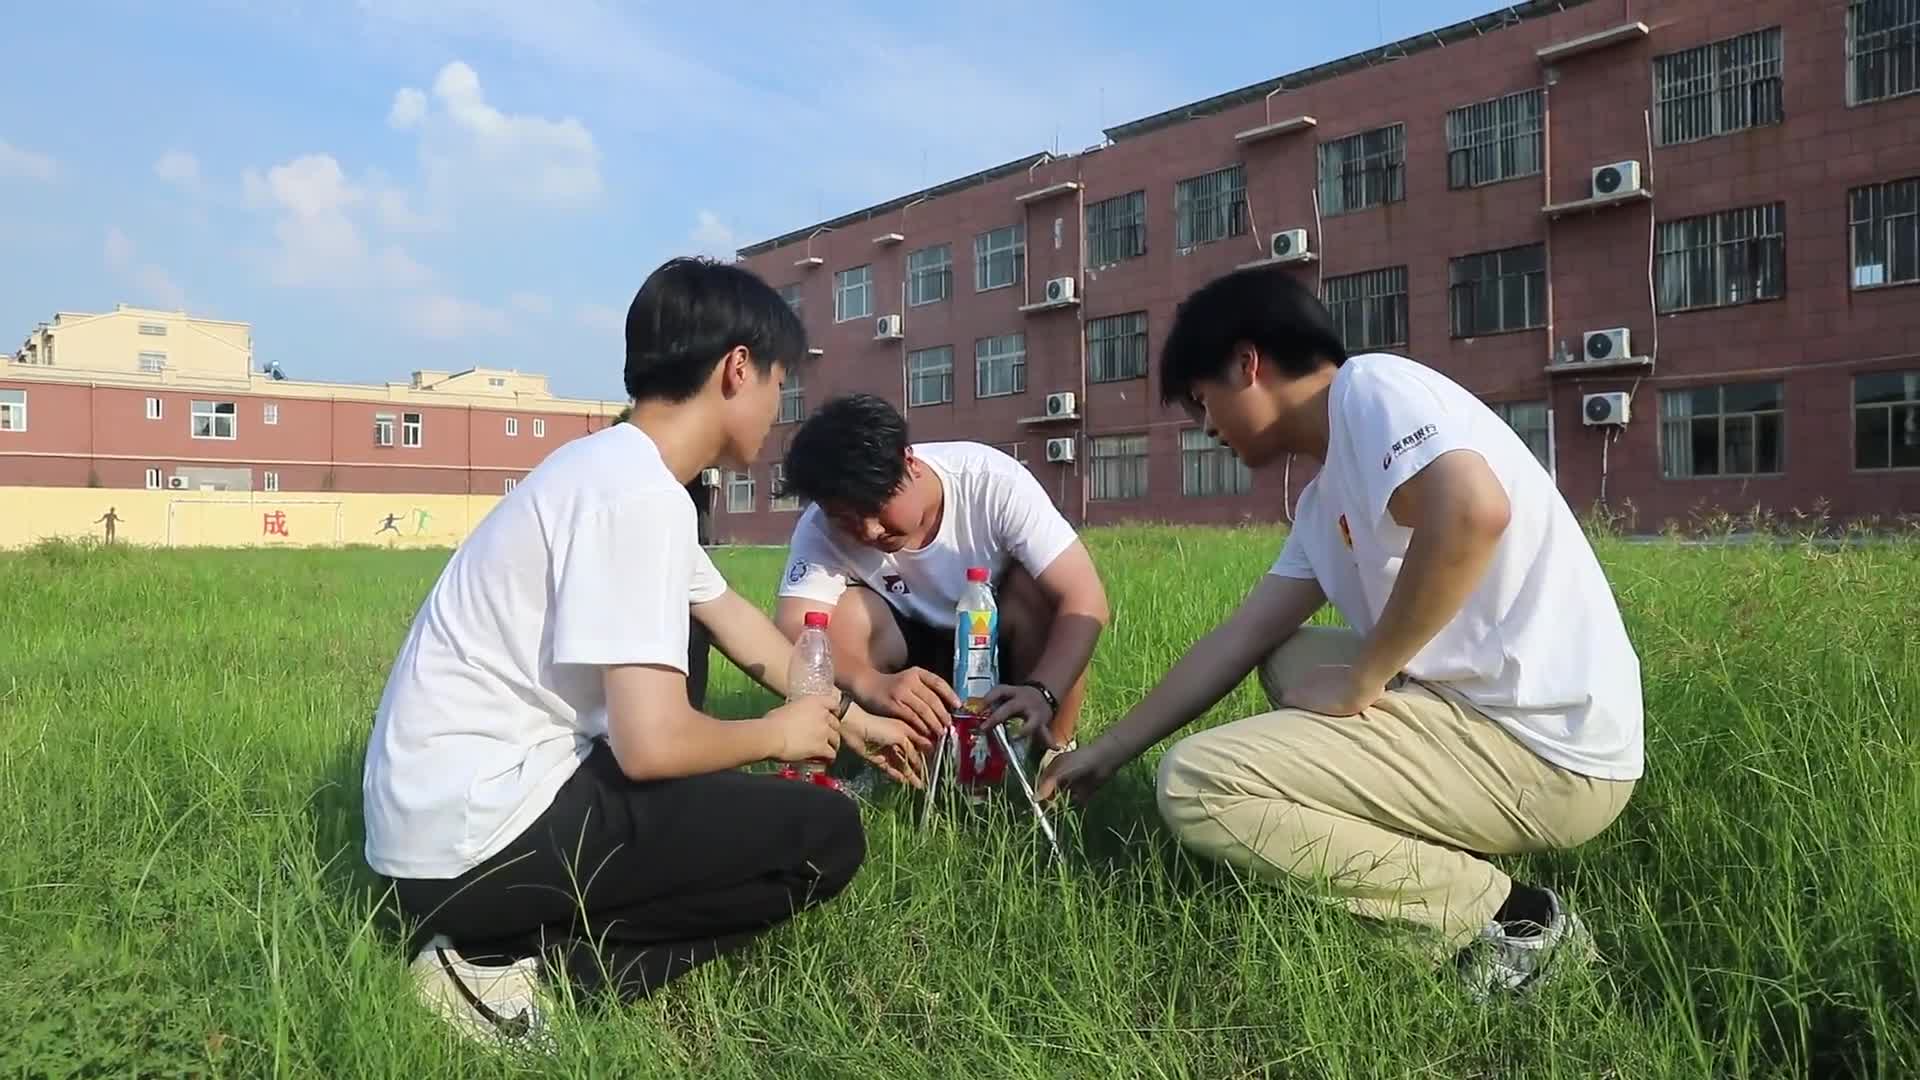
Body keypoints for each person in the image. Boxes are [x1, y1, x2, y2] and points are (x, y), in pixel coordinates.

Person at [360, 258, 928, 1045]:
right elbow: (652, 746)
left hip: (448, 824)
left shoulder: (611, 470)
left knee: (695, 655)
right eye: (778, 383)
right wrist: (778, 735)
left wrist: (849, 719)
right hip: (473, 845)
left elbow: (743, 630)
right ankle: (513, 969)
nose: (778, 406)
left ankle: (506, 946)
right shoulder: (638, 498)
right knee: (825, 835)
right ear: (737, 370)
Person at [1036, 266, 1643, 999]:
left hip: (1552, 750)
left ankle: (1513, 918)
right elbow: (1242, 637)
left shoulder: (1372, 389)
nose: (1206, 428)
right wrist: (1106, 752)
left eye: (1202, 401)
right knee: (1286, 655)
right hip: (1494, 712)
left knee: (1200, 785)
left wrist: (1365, 679)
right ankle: (1410, 845)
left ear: (1246, 364)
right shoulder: (1328, 496)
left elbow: (1471, 512)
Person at [772, 392, 1111, 774]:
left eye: (875, 508)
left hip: (992, 644)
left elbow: (1086, 598)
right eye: (845, 519)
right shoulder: (820, 526)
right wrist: (870, 684)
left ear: (909, 463)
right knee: (839, 620)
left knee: (1042, 594)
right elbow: (791, 628)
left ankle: (1054, 754)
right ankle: (892, 756)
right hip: (906, 665)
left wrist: (1043, 691)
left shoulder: (991, 482)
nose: (869, 531)